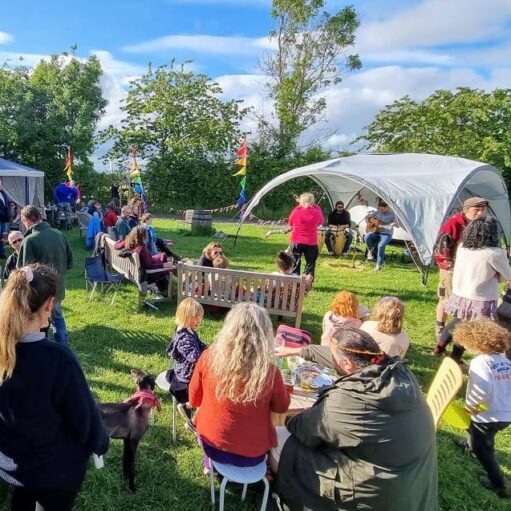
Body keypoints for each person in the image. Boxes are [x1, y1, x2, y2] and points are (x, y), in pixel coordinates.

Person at [273, 326, 438, 511]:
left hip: (375, 495)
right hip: (412, 484)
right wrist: (301, 350)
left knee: (279, 438)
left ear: (347, 365)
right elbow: (340, 357)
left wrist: (285, 418)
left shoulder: (348, 400)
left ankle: (293, 499)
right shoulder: (398, 372)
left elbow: (304, 429)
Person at [0, 264, 109, 511]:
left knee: (23, 498)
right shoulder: (58, 360)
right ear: (49, 305)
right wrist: (101, 442)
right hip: (54, 472)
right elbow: (86, 421)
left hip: (12, 464)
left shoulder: (3, 352)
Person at [189, 303, 290, 468]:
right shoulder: (270, 373)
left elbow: (193, 398)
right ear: (264, 335)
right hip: (253, 455)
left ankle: (210, 463)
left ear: (228, 330)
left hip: (211, 443)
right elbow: (281, 407)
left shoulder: (208, 358)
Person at [436, 216, 511, 362]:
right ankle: (457, 357)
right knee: (475, 329)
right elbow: (507, 275)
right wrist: (497, 276)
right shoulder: (494, 252)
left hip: (461, 293)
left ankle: (440, 346)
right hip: (480, 296)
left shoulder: (463, 247)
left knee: (460, 321)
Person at [452, 319, 511, 498]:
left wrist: (471, 405)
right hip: (505, 412)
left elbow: (482, 388)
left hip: (487, 415)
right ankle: (471, 443)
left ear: (475, 342)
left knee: (483, 448)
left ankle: (498, 483)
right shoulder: (504, 360)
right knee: (481, 434)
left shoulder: (480, 363)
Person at [433, 196, 488, 342]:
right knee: (447, 299)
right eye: (477, 210)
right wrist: (450, 267)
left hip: (470, 269)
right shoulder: (453, 224)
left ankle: (461, 330)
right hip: (451, 268)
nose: (480, 213)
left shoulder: (481, 225)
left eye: (483, 210)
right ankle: (440, 328)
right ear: (466, 209)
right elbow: (441, 249)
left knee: (467, 300)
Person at [17, 206, 73, 346]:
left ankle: (44, 346)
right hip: (58, 286)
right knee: (57, 316)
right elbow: (70, 261)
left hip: (39, 290)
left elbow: (23, 271)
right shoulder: (59, 233)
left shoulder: (30, 240)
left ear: (26, 220)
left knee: (39, 320)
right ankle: (62, 346)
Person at [166, 298, 207, 420]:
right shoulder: (184, 338)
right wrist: (207, 356)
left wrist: (208, 348)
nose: (199, 321)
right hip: (187, 374)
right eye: (196, 318)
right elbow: (195, 357)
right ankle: (188, 406)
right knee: (206, 387)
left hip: (190, 370)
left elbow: (200, 344)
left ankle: (196, 410)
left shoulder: (190, 331)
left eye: (200, 317)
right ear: (185, 317)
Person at [124, 226, 174, 294]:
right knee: (173, 266)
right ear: (142, 236)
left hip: (137, 272)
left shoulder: (131, 245)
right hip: (149, 274)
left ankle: (164, 289)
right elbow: (149, 266)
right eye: (146, 235)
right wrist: (164, 265)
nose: (147, 237)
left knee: (164, 258)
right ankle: (165, 290)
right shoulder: (141, 249)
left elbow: (117, 245)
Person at [288, 192, 324, 277]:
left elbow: (290, 223)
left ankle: (294, 280)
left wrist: (300, 206)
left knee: (295, 262)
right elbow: (320, 222)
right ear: (313, 202)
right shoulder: (317, 213)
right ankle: (308, 282)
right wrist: (315, 207)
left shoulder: (296, 212)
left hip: (297, 241)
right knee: (310, 263)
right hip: (311, 242)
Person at [365, 199, 397, 271]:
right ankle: (371, 251)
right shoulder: (377, 212)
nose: (381, 211)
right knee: (367, 236)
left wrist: (393, 224)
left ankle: (379, 264)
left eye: (382, 209)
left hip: (386, 233)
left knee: (381, 245)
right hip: (376, 232)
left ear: (387, 207)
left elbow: (397, 224)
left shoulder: (393, 214)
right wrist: (368, 223)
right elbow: (367, 217)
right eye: (380, 209)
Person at [0, 178, 12, 259]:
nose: (0, 185)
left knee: (3, 237)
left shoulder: (4, 193)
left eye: (0, 183)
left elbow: (7, 205)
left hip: (5, 219)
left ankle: (2, 253)